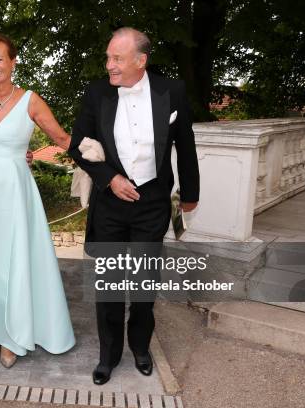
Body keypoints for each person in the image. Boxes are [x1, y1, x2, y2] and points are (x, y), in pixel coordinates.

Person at [68, 27, 200, 385]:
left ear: (141, 61)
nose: (109, 64)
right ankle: (108, 356)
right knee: (108, 285)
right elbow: (76, 145)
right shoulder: (96, 93)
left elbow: (185, 144)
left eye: (117, 58)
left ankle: (140, 347)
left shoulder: (171, 91)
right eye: (108, 57)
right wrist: (110, 178)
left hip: (153, 204)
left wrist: (191, 193)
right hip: (110, 204)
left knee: (144, 284)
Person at [0, 33, 76, 368]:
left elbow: (61, 138)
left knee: (14, 261)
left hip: (15, 191)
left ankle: (12, 339)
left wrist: (103, 159)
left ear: (13, 62)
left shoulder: (31, 100)